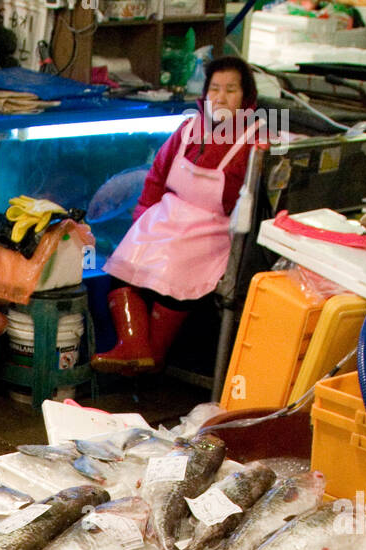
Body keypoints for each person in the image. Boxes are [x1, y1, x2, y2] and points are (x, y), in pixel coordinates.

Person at [91, 57, 263, 375]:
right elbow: (156, 177)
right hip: (167, 216)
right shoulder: (188, 129)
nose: (221, 98)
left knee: (178, 276)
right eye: (214, 89)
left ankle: (152, 357)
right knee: (125, 265)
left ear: (246, 96)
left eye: (230, 90)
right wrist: (142, 219)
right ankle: (134, 346)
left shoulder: (253, 141)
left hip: (211, 229)